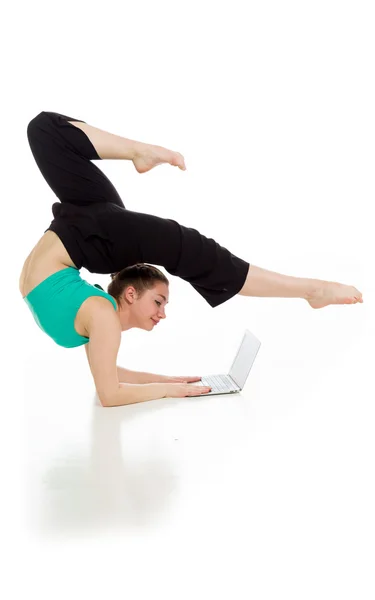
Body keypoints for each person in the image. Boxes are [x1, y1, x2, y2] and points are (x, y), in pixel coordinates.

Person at [20, 111, 363, 408]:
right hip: (83, 234)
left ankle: (312, 292)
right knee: (43, 130)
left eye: (159, 302)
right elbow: (110, 388)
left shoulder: (101, 317)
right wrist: (171, 386)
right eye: (160, 301)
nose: (162, 312)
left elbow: (108, 385)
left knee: (45, 130)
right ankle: (311, 290)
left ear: (127, 293)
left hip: (83, 236)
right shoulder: (100, 317)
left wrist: (168, 385)